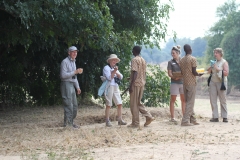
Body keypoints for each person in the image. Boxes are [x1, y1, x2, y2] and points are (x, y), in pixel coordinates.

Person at [128, 46, 155, 128]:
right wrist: (131, 78)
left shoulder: (134, 60)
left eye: (132, 50)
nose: (132, 51)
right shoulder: (143, 60)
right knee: (138, 102)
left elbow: (135, 73)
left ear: (134, 51)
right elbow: (143, 73)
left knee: (134, 104)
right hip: (142, 83)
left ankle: (135, 123)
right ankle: (148, 116)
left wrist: (131, 85)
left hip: (136, 84)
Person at [60, 46, 83, 129]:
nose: (75, 53)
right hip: (66, 84)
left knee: (74, 106)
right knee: (68, 105)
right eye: (73, 52)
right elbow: (63, 76)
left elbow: (74, 77)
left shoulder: (73, 62)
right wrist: (75, 72)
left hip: (72, 85)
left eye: (76, 52)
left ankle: (70, 123)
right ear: (68, 53)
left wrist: (78, 87)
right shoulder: (64, 62)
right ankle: (68, 125)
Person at [180, 44, 202, 126]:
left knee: (189, 101)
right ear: (190, 49)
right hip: (192, 83)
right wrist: (199, 74)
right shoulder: (193, 59)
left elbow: (182, 72)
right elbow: (194, 72)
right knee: (190, 102)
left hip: (185, 82)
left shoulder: (181, 60)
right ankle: (185, 120)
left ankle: (192, 119)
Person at [103, 54, 127, 127]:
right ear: (109, 61)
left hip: (115, 86)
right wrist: (115, 71)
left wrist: (115, 71)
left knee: (119, 103)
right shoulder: (106, 68)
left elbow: (121, 77)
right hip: (109, 86)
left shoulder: (115, 68)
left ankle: (120, 119)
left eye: (115, 60)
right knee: (108, 104)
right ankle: (107, 120)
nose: (114, 61)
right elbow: (109, 78)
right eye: (113, 60)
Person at [207, 48, 229, 123]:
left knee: (222, 99)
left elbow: (226, 73)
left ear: (220, 54)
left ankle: (225, 117)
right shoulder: (214, 62)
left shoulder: (224, 62)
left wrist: (218, 68)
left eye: (216, 53)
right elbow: (208, 72)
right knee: (213, 100)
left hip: (221, 82)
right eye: (214, 53)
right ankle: (215, 117)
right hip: (213, 82)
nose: (215, 54)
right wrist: (211, 67)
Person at [167, 45, 185, 122]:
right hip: (174, 82)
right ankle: (172, 117)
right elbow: (169, 73)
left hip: (182, 82)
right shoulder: (170, 62)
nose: (172, 54)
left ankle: (184, 116)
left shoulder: (183, 61)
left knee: (183, 99)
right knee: (173, 99)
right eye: (172, 53)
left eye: (174, 53)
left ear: (178, 53)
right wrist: (174, 77)